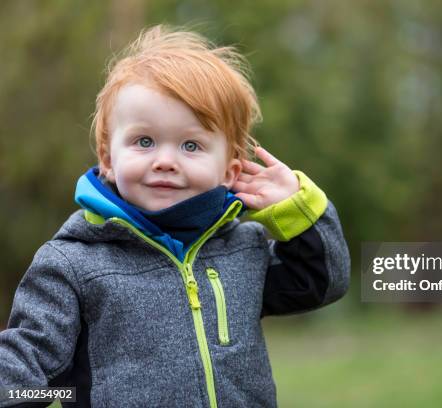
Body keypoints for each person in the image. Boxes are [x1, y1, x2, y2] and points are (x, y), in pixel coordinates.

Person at [0, 25, 350, 407]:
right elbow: (26, 365)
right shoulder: (72, 264)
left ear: (230, 171)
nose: (165, 161)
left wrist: (299, 209)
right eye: (144, 141)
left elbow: (322, 281)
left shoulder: (241, 250)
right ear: (108, 161)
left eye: (191, 145)